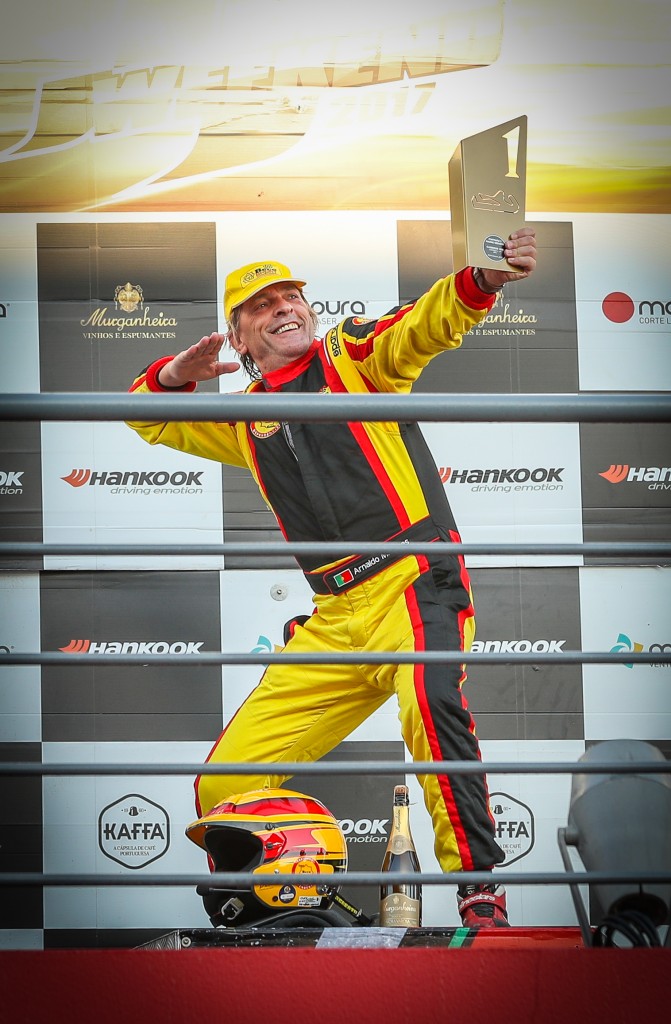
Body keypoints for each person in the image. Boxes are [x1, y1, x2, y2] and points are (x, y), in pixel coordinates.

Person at [128, 228, 537, 927]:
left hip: (410, 581)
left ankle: (479, 892)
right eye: (262, 305)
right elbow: (148, 416)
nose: (284, 307)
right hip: (335, 616)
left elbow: (423, 323)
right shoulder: (242, 418)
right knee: (224, 781)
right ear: (238, 337)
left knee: (431, 705)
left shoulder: (352, 356)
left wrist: (483, 280)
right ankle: (262, 914)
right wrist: (174, 375)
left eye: (292, 296)